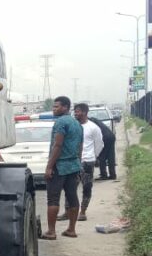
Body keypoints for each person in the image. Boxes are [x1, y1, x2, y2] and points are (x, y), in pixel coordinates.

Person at [43, 95, 83, 240]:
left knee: (53, 199)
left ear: (65, 107)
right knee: (72, 198)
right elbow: (80, 147)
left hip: (59, 166)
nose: (53, 109)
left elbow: (58, 145)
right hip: (73, 166)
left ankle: (51, 232)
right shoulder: (77, 123)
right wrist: (78, 164)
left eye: (56, 106)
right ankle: (71, 229)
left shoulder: (60, 123)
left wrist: (49, 167)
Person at [62, 103, 103, 222]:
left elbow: (99, 144)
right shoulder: (72, 126)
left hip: (87, 161)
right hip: (73, 161)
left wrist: (93, 156)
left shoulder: (93, 127)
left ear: (85, 112)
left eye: (78, 111)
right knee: (69, 187)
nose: (75, 113)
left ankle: (83, 211)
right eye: (75, 111)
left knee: (87, 187)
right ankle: (67, 212)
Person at [90, 115, 117, 179]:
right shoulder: (94, 119)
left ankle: (103, 175)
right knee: (111, 156)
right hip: (111, 136)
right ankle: (113, 175)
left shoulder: (90, 123)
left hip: (104, 138)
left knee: (102, 156)